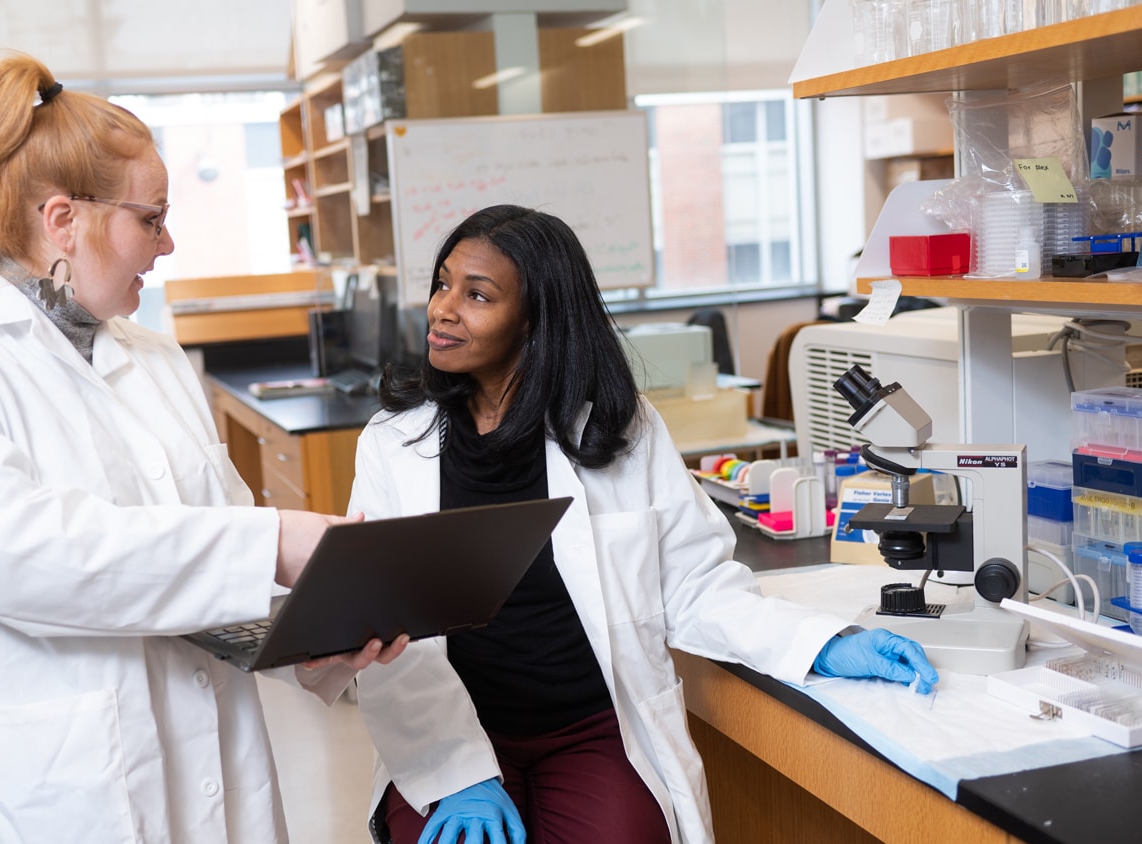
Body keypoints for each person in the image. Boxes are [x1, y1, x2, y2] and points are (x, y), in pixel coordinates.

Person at [0, 53, 405, 844]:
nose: (166, 245)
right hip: (64, 789)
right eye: (152, 219)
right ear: (63, 220)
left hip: (219, 776)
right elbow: (30, 555)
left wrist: (317, 632)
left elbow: (219, 568)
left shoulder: (155, 358)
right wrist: (275, 541)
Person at [347, 205, 938, 844]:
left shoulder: (618, 431)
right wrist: (456, 773)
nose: (442, 308)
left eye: (477, 294)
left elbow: (693, 583)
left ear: (537, 321)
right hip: (448, 726)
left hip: (593, 726)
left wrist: (824, 643)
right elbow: (379, 626)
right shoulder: (394, 443)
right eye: (442, 284)